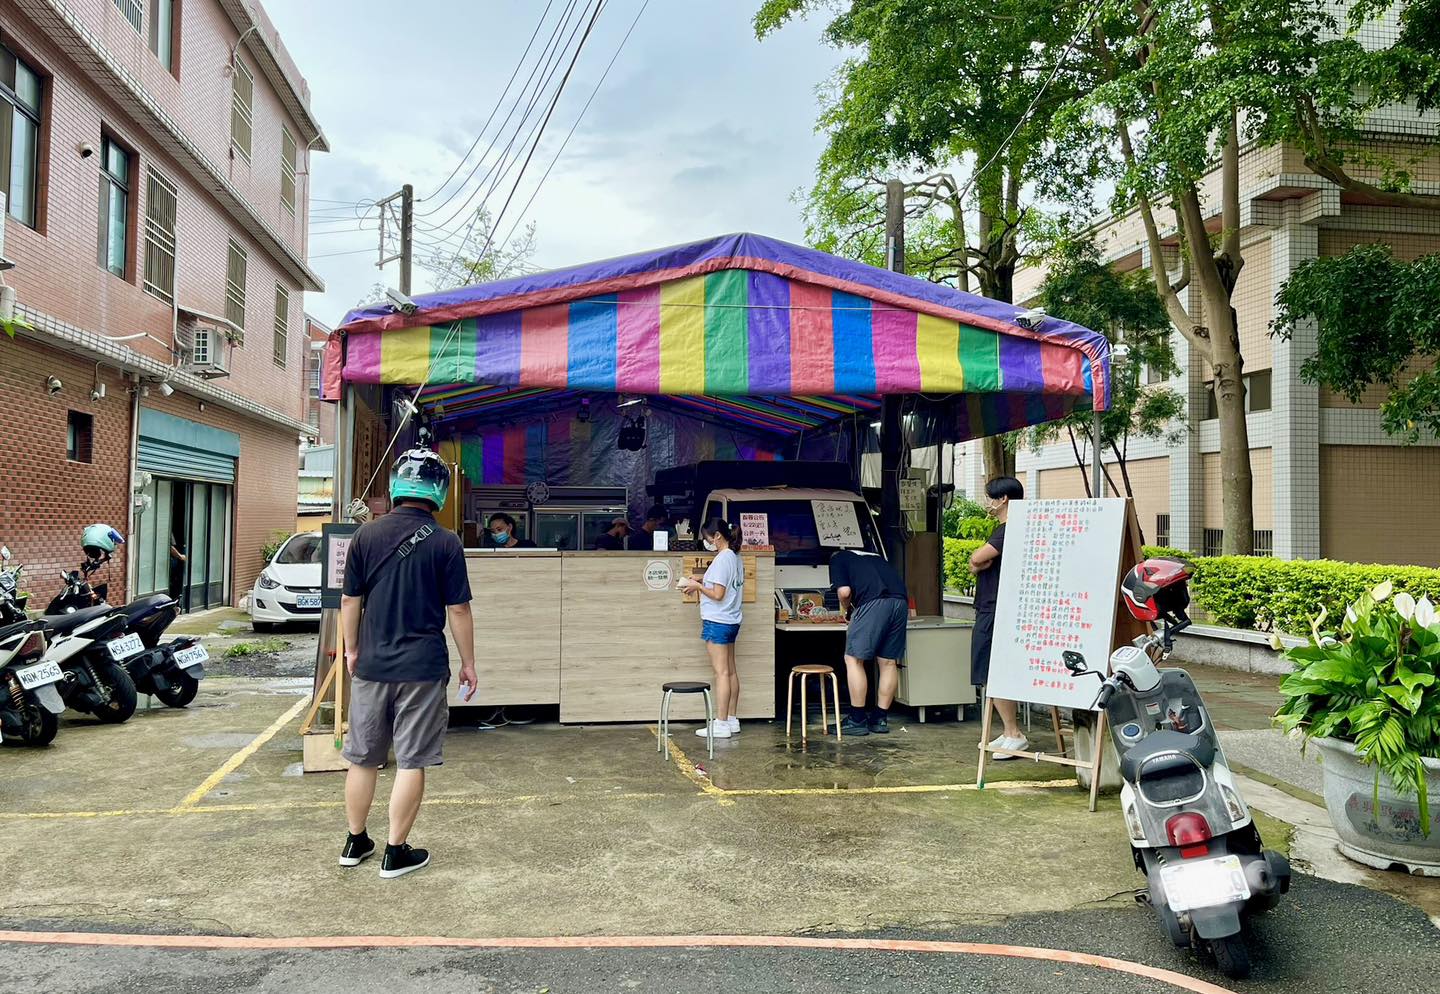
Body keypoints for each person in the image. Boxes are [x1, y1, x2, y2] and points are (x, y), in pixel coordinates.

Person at [338, 447, 476, 879]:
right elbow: (458, 610)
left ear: (397, 486)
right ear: (439, 491)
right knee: (411, 760)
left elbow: (350, 601)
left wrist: (352, 649)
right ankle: (395, 853)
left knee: (363, 758)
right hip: (422, 667)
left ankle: (355, 841)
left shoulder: (365, 537)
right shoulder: (446, 542)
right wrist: (469, 663)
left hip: (372, 665)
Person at [969, 475, 1028, 758]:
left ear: (1002, 499)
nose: (987, 502)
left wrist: (977, 563)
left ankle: (1013, 733)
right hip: (998, 606)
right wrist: (978, 563)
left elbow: (977, 558)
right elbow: (978, 561)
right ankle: (1008, 731)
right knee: (993, 669)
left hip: (995, 608)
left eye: (989, 497)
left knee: (992, 669)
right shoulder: (1017, 527)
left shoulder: (1008, 529)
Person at [830, 548, 908, 736]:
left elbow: (844, 592)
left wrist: (847, 609)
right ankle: (880, 718)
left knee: (853, 659)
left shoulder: (838, 557)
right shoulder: (876, 557)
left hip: (874, 602)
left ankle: (857, 719)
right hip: (900, 603)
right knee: (888, 662)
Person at [677, 518, 743, 739]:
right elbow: (722, 582)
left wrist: (696, 585)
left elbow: (718, 594)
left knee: (721, 673)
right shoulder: (734, 556)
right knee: (731, 671)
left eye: (707, 538)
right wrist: (701, 579)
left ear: (717, 536)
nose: (706, 542)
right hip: (731, 620)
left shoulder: (722, 559)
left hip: (717, 621)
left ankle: (721, 723)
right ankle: (732, 719)